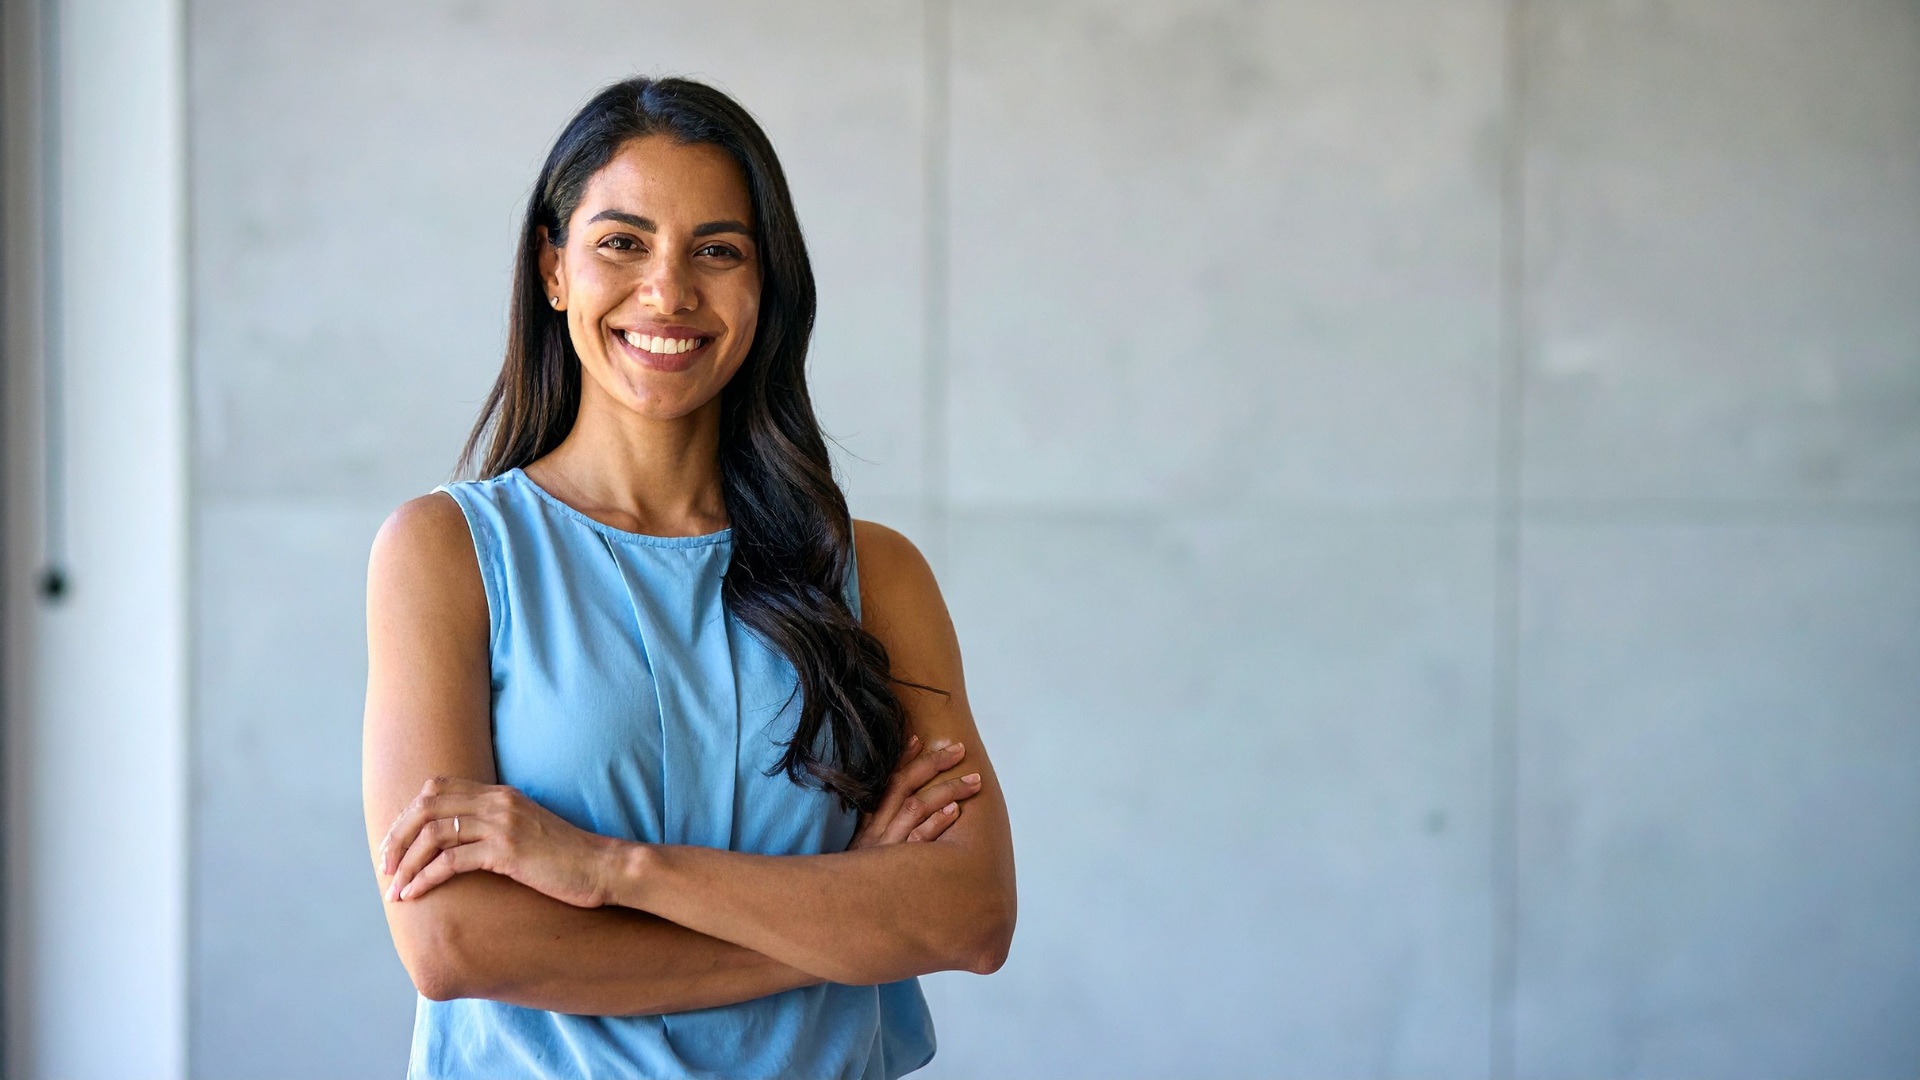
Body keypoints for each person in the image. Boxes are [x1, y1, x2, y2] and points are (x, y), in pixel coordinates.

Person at [359, 74, 1015, 1079]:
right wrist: (848, 918)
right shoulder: (445, 555)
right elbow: (454, 947)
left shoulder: (872, 574)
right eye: (622, 242)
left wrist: (609, 872)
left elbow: (968, 917)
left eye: (718, 250)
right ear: (553, 269)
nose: (669, 291)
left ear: (766, 286)